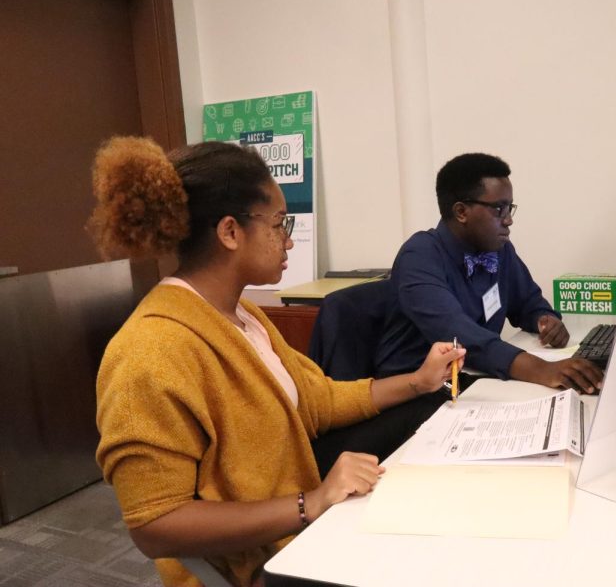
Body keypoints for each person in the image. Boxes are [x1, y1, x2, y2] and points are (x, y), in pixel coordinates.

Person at [90, 137, 465, 587]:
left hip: (296, 526)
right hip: (258, 563)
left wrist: (418, 382)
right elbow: (154, 526)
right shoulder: (149, 352)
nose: (288, 239)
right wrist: (312, 502)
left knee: (427, 417)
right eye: (278, 223)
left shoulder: (241, 317)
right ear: (230, 232)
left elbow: (318, 399)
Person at [375, 152, 604, 394]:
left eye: (510, 208)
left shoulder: (498, 250)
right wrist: (543, 370)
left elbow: (528, 301)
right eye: (499, 209)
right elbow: (459, 336)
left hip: (472, 379)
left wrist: (545, 320)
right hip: (412, 392)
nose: (508, 221)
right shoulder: (419, 256)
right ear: (461, 212)